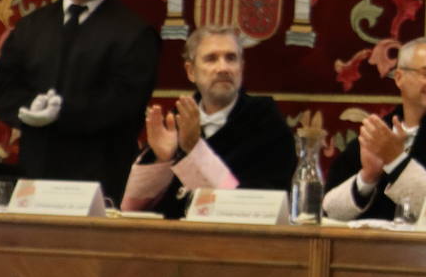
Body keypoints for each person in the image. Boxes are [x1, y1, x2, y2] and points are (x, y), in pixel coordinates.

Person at [0, 0, 160, 203]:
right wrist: (30, 108)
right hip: (36, 176)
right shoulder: (31, 27)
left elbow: (123, 103)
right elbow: (3, 86)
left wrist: (60, 113)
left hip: (102, 180)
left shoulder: (135, 33)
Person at [119, 26, 296, 218]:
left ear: (242, 67)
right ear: (191, 71)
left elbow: (249, 209)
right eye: (211, 59)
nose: (223, 68)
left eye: (231, 58)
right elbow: (130, 209)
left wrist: (195, 149)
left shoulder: (266, 122)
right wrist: (162, 160)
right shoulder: (178, 118)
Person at [322, 36, 426, 222]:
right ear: (399, 77)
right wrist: (368, 176)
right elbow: (329, 213)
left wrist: (396, 162)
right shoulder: (379, 133)